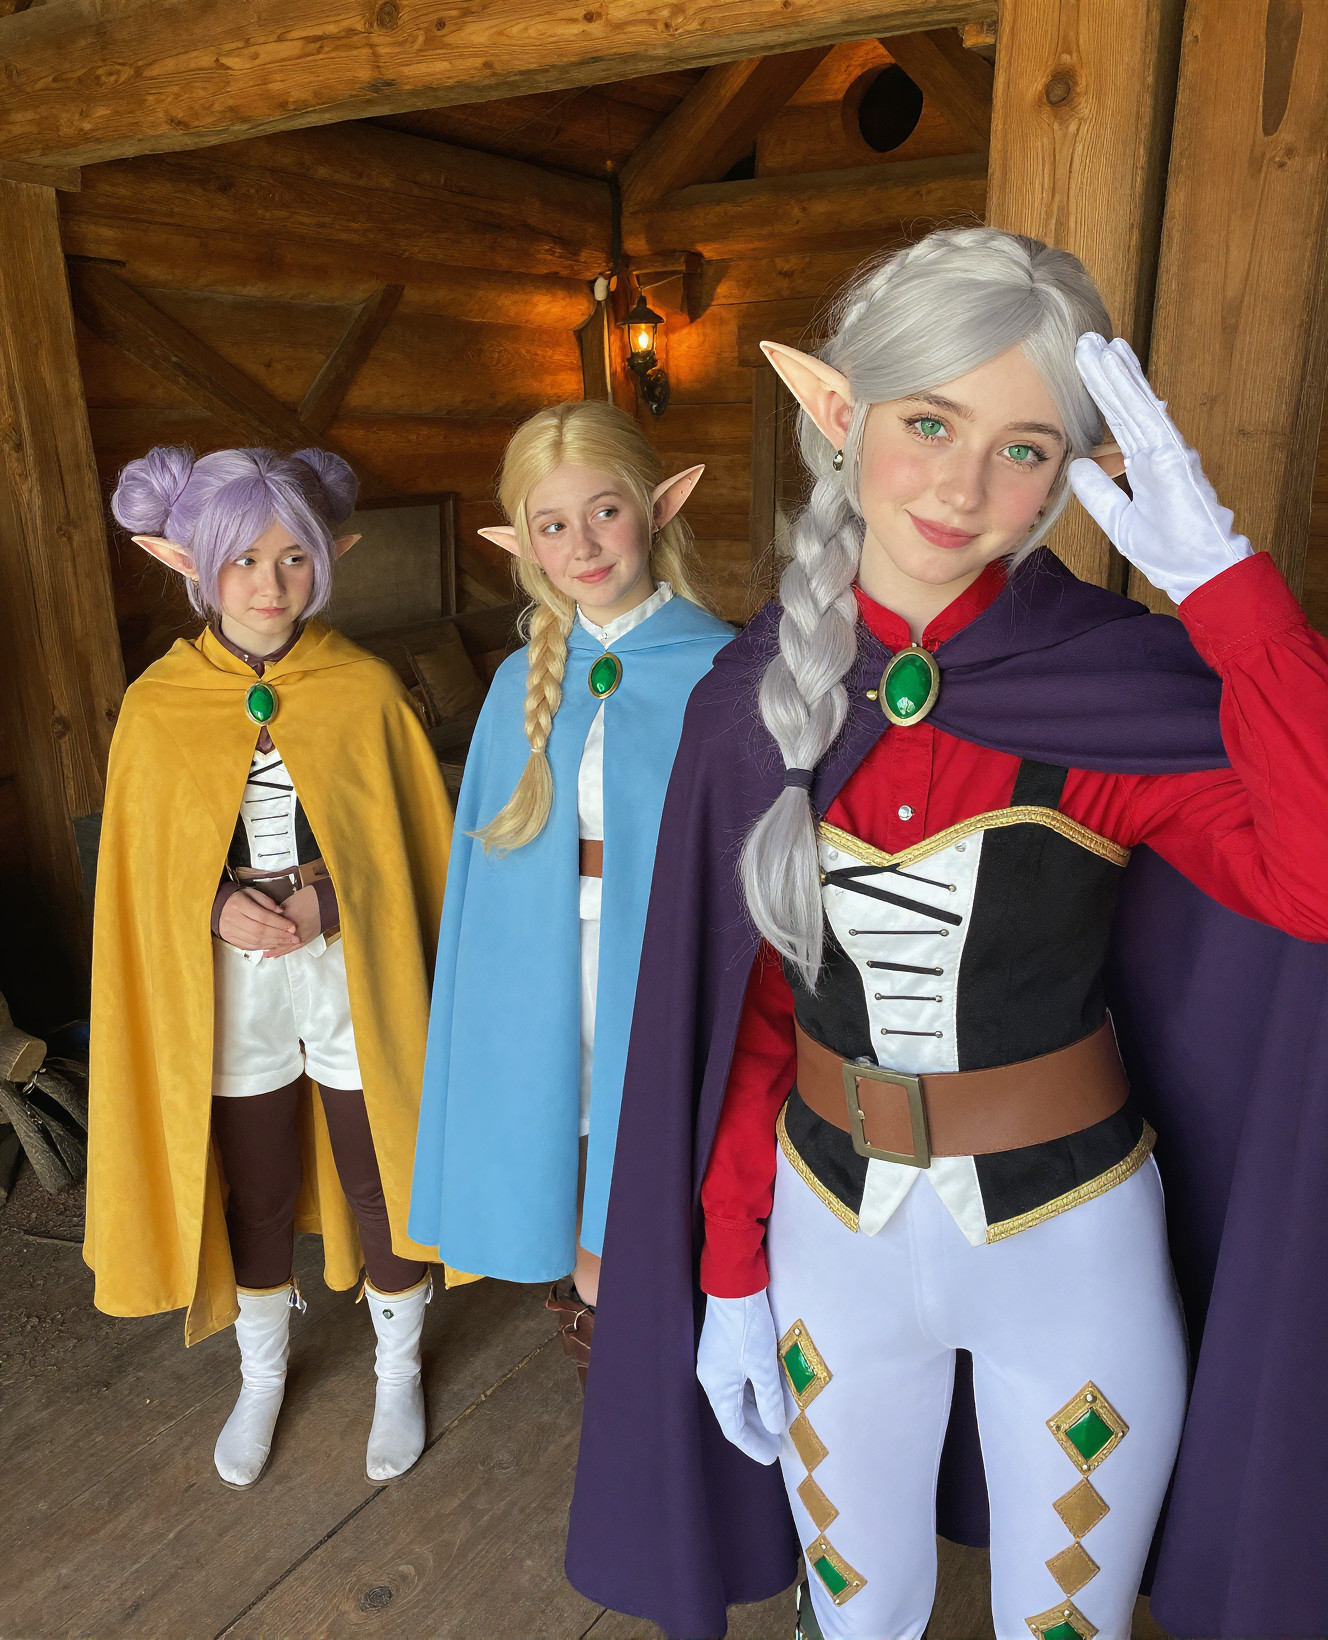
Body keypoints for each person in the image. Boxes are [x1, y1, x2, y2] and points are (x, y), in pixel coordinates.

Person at [566, 228, 1328, 1640]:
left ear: (1074, 470)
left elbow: (1318, 881)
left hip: (1074, 1254)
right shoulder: (755, 699)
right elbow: (751, 1015)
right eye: (928, 422)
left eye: (1022, 448)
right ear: (839, 412)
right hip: (829, 1242)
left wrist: (1228, 594)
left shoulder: (1110, 687)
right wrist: (727, 1266)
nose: (962, 488)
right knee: (858, 1624)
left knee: (1065, 1632)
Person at [87, 446, 453, 1489]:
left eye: (294, 557)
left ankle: (397, 1370)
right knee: (255, 1183)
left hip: (349, 963)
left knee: (380, 1166)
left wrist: (326, 900)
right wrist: (215, 905)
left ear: (329, 558)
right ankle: (260, 1375)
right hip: (228, 979)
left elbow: (404, 845)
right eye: (243, 558)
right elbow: (141, 865)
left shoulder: (363, 687)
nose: (269, 582)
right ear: (192, 564)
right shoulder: (157, 703)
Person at [409, 400, 731, 1387]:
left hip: (661, 965)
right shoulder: (519, 681)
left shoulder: (724, 668)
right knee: (576, 1148)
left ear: (658, 508)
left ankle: (666, 1379)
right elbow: (487, 883)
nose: (583, 546)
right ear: (523, 544)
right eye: (553, 524)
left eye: (605, 511)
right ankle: (607, 1359)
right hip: (543, 974)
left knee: (658, 1164)